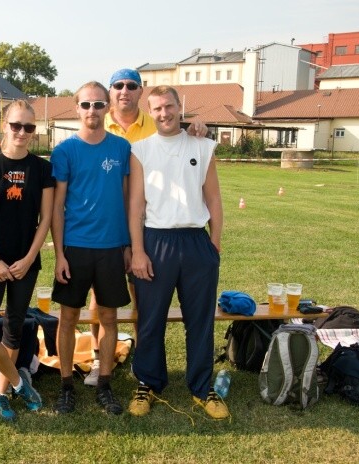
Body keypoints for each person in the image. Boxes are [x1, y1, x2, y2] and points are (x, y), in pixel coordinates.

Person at [84, 68, 209, 387]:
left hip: (149, 226)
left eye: (131, 85)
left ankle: (145, 364)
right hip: (108, 227)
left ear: (141, 92)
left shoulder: (156, 122)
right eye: (118, 86)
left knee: (145, 302)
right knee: (99, 301)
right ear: (110, 92)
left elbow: (181, 140)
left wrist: (197, 128)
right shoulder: (95, 119)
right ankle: (100, 360)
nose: (124, 90)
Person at [127, 85, 228, 420]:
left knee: (200, 321)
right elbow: (136, 205)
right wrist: (138, 251)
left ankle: (202, 387)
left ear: (179, 107)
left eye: (169, 106)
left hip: (196, 243)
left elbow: (213, 198)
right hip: (156, 242)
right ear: (149, 111)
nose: (164, 114)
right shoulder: (140, 150)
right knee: (150, 320)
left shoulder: (201, 144)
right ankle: (148, 383)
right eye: (156, 109)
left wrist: (213, 244)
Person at [50, 81, 131, 415]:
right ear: (76, 108)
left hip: (112, 247)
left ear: (108, 107)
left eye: (99, 104)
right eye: (86, 105)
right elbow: (55, 207)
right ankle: (67, 386)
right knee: (68, 317)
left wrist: (127, 244)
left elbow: (128, 200)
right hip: (76, 247)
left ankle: (105, 383)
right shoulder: (65, 151)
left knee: (109, 316)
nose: (92, 111)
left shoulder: (122, 148)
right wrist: (59, 254)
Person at [0, 99, 54, 420]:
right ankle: (22, 383)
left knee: (14, 329)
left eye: (28, 127)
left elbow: (45, 218)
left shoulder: (42, 168)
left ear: (34, 131)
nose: (21, 132)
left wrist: (29, 258)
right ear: (4, 125)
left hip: (25, 264)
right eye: (16, 125)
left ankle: (2, 393)